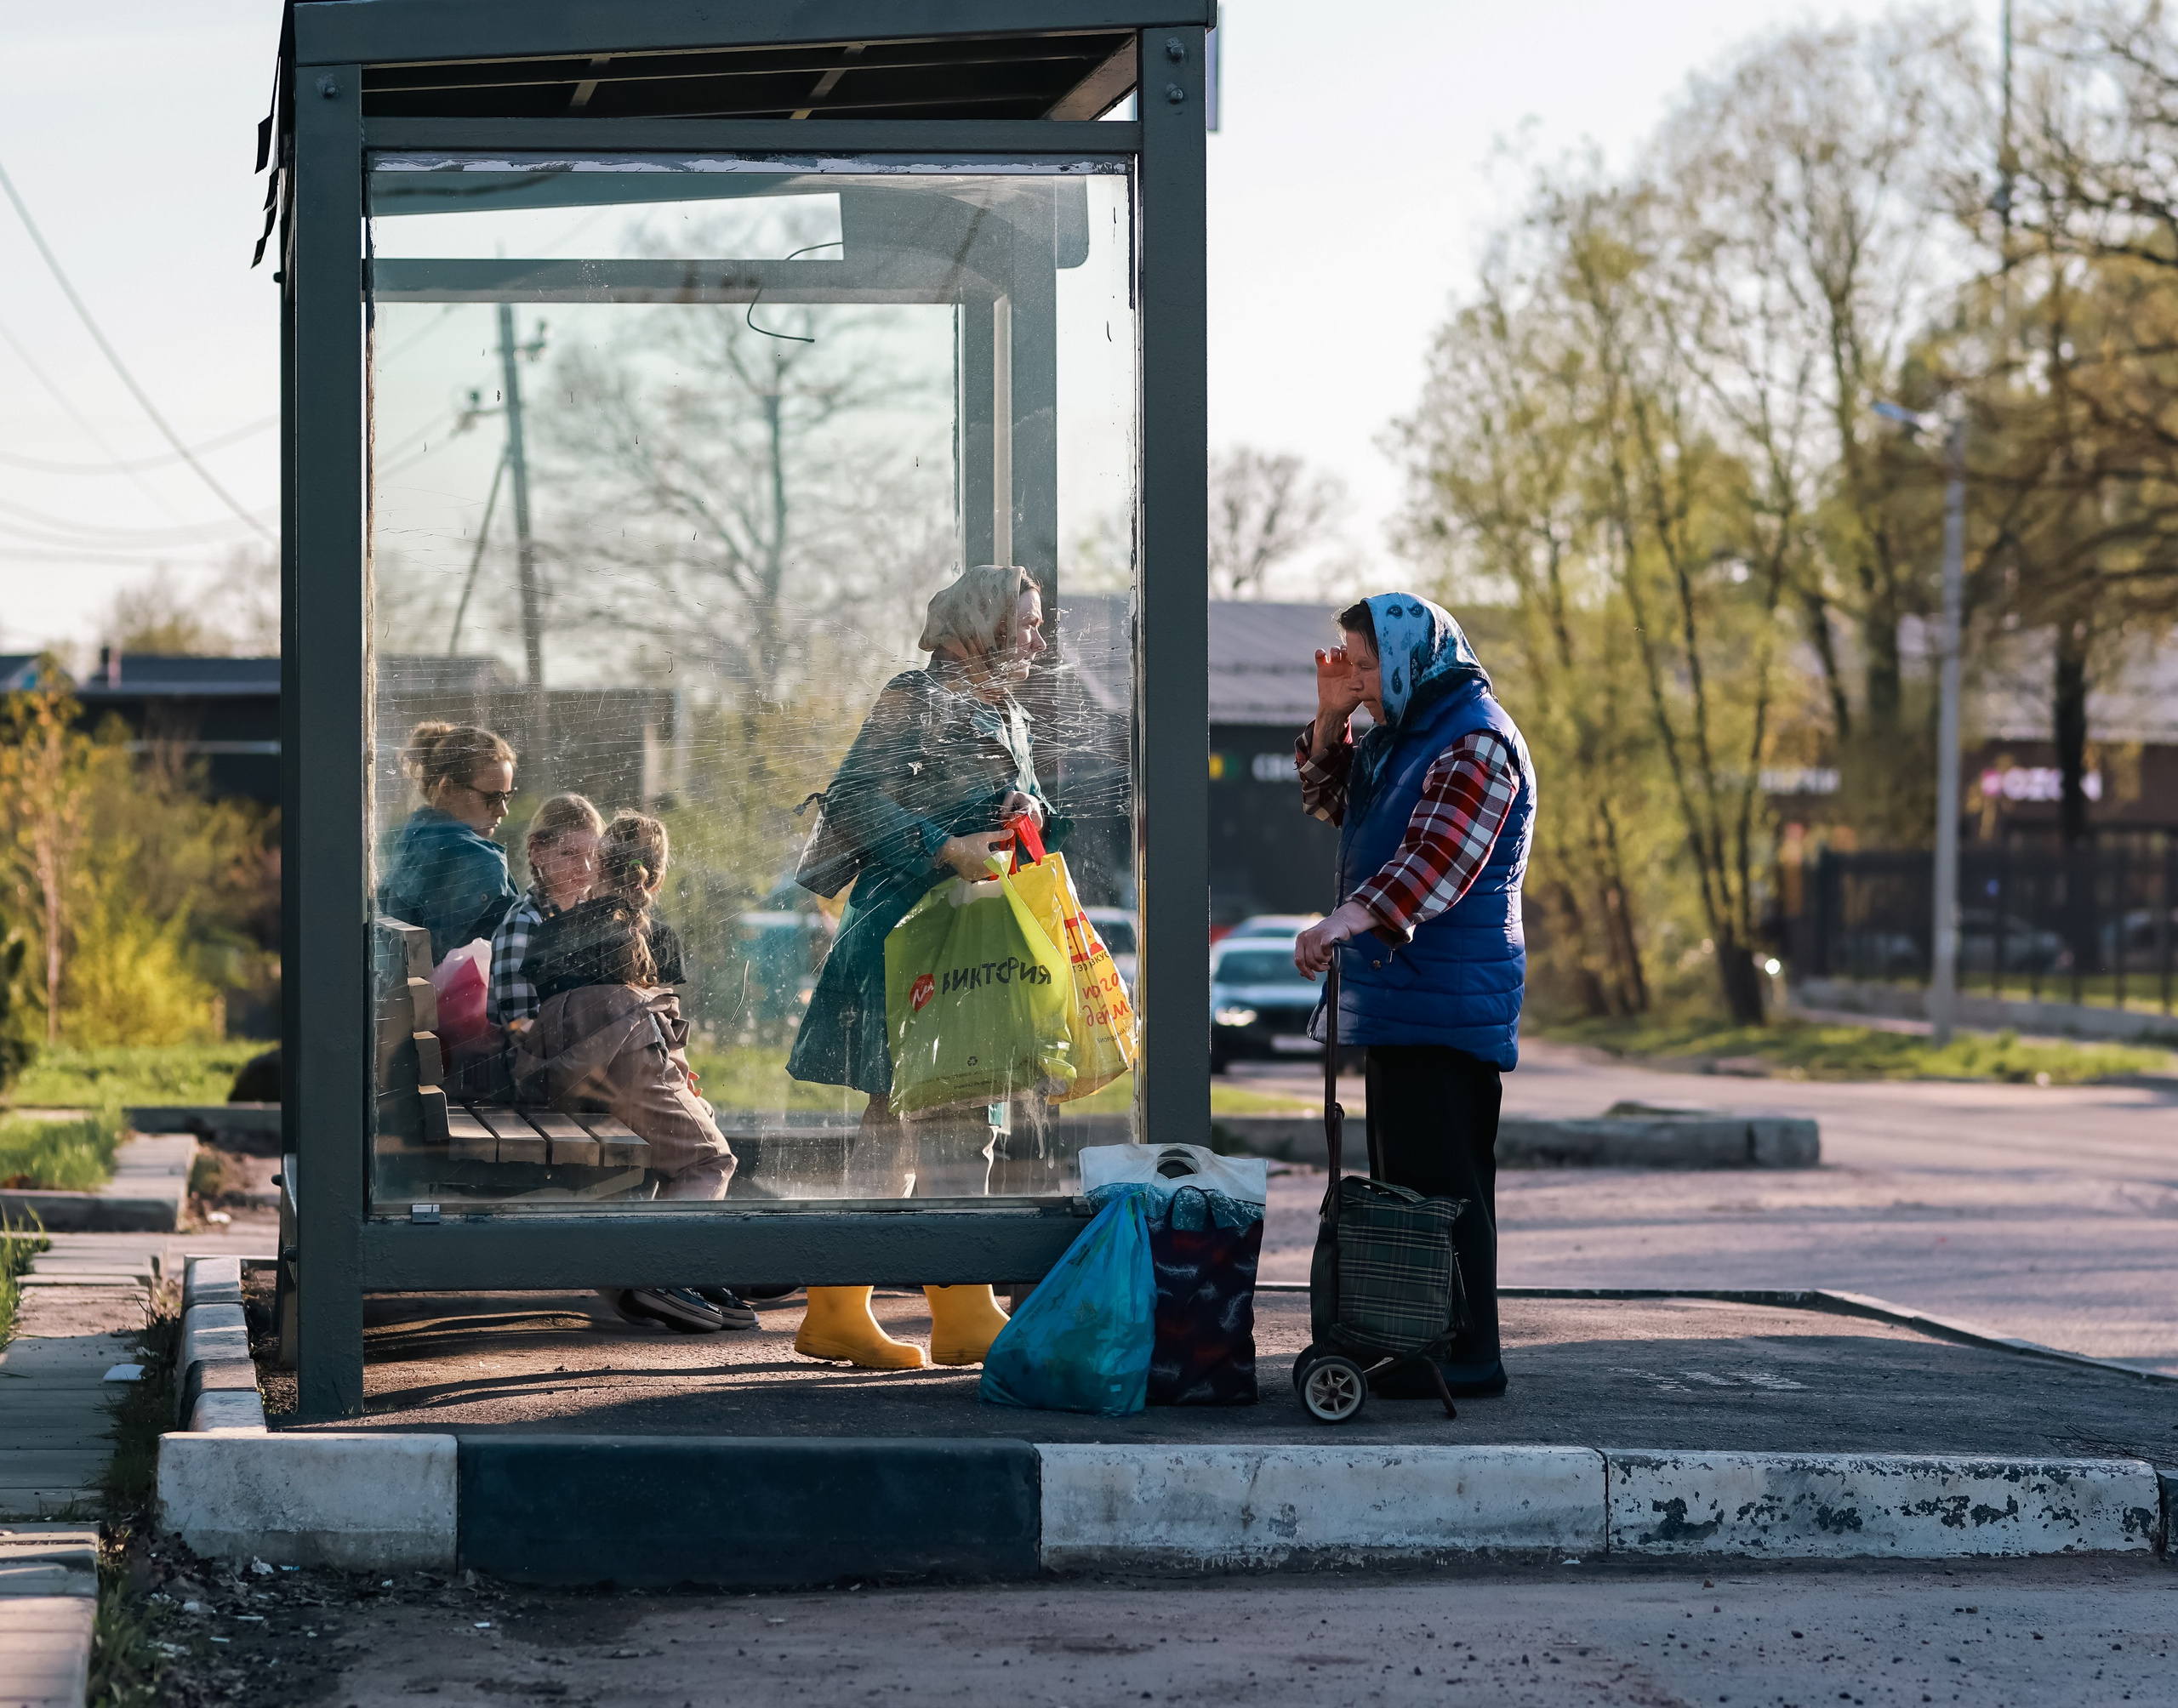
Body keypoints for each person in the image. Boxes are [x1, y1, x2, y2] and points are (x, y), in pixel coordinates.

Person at [784, 564, 1061, 1371]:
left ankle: (844, 1309)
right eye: (1030, 624)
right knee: (955, 1111)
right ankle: (960, 1310)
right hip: (912, 933)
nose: (1040, 641)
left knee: (905, 1124)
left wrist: (1030, 814)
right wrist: (944, 847)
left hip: (958, 937)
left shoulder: (1005, 709)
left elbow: (1011, 800)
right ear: (981, 629)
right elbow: (852, 799)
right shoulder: (917, 695)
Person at [1291, 594, 1534, 1400]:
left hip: (1449, 1000)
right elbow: (1330, 803)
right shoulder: (1403, 735)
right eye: (1349, 665)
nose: (1357, 680)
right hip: (1407, 996)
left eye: (1366, 665)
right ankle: (1419, 1338)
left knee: (1448, 1185)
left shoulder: (1475, 737)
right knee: (1407, 1184)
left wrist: (1349, 919)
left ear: (1408, 656)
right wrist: (1331, 720)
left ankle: (1470, 1352)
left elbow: (1438, 860)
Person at [516, 810, 754, 1335]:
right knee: (709, 1159)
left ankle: (668, 1272)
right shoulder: (655, 934)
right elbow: (657, 1029)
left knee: (667, 1138)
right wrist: (685, 1081)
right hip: (624, 1057)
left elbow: (545, 1008)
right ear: (658, 877)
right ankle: (662, 1271)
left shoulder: (552, 930)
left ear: (596, 864)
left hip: (562, 1078)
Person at [379, 721, 522, 965]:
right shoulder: (484, 862)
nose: (503, 811)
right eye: (493, 797)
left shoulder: (410, 837)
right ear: (448, 788)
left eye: (507, 796)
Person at [489, 793, 605, 1029]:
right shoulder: (523, 925)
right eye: (569, 853)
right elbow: (519, 1027)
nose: (584, 867)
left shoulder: (595, 916)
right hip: (539, 1059)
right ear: (537, 852)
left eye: (593, 855)